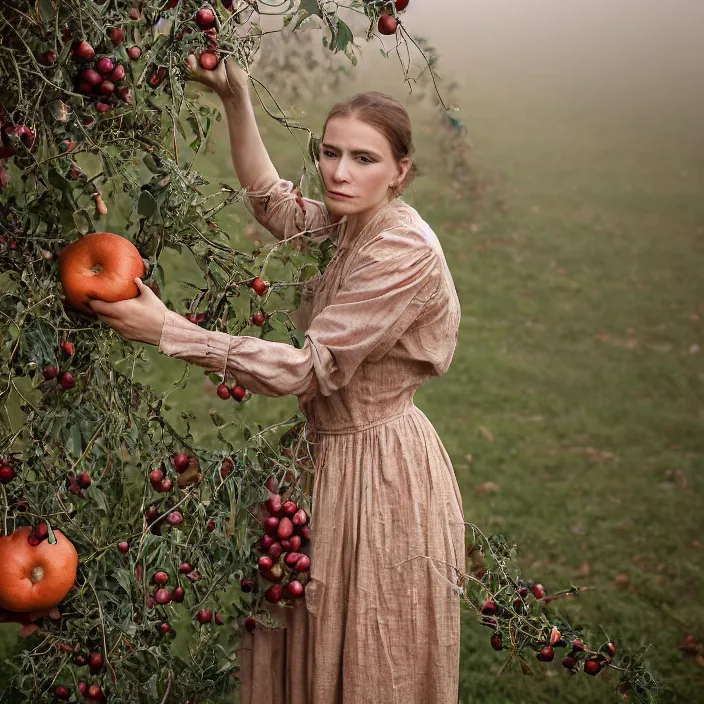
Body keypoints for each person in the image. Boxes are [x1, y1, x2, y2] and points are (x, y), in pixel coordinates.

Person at [89, 56, 465, 704]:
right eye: (330, 152)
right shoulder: (350, 224)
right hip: (323, 455)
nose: (340, 172)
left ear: (401, 171)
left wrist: (170, 331)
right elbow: (272, 201)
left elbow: (308, 369)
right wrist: (237, 98)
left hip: (380, 468)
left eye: (364, 159)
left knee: (369, 640)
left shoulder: (401, 251)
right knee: (306, 628)